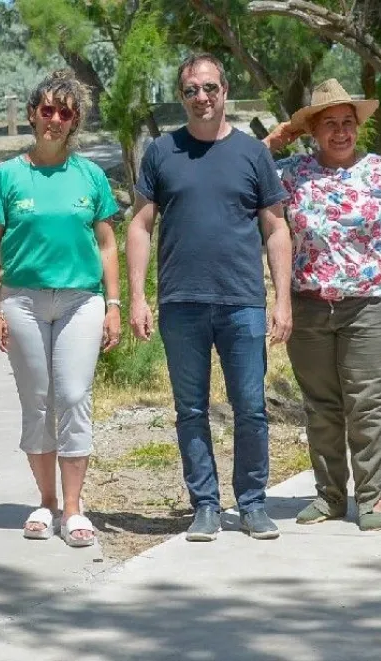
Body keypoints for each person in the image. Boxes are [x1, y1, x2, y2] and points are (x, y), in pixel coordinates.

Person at [126, 53, 292, 542]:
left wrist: (282, 299)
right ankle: (205, 505)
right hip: (181, 303)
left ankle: (253, 503)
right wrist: (138, 297)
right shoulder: (161, 151)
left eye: (210, 88)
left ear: (225, 90)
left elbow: (276, 227)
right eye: (191, 91)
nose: (202, 98)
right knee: (191, 410)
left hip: (243, 301)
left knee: (251, 407)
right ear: (182, 97)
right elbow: (139, 225)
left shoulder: (253, 154)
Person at [261, 79, 381, 532]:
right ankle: (330, 496)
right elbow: (239, 172)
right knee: (321, 406)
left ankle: (372, 497)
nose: (340, 132)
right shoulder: (291, 174)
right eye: (330, 124)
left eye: (348, 123)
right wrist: (276, 140)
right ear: (314, 131)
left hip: (371, 307)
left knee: (369, 404)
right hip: (309, 307)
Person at [0, 70, 120, 547]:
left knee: (74, 394)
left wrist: (114, 304)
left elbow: (106, 243)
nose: (55, 119)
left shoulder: (90, 176)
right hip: (22, 300)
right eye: (47, 110)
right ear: (32, 114)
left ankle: (75, 510)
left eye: (65, 112)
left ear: (74, 120)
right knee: (38, 399)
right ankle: (46, 501)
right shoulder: (6, 176)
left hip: (82, 300)